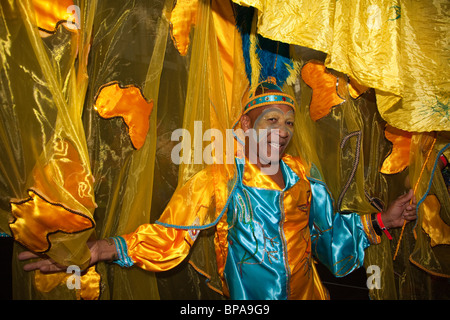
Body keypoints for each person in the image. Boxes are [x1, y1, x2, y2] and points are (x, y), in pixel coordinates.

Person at [18, 80, 417, 300]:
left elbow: (329, 235)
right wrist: (99, 249)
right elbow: (168, 235)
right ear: (245, 127)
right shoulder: (219, 180)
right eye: (272, 120)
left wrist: (384, 220)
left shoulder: (303, 176)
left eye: (289, 124)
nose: (282, 132)